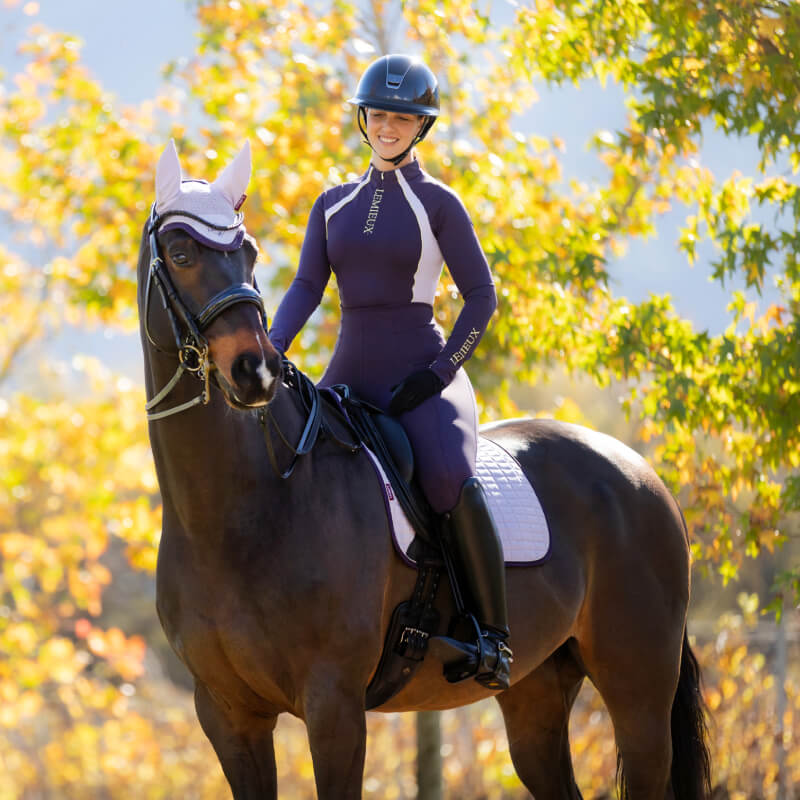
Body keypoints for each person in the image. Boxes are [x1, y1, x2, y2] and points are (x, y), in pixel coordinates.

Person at [269, 54, 512, 690]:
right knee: (293, 464)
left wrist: (438, 373)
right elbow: (304, 287)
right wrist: (271, 347)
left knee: (448, 480)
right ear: (362, 118)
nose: (388, 126)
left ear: (420, 127)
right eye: (379, 114)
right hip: (349, 375)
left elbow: (482, 299)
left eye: (403, 118)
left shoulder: (439, 203)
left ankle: (491, 636)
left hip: (422, 377)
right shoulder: (331, 203)